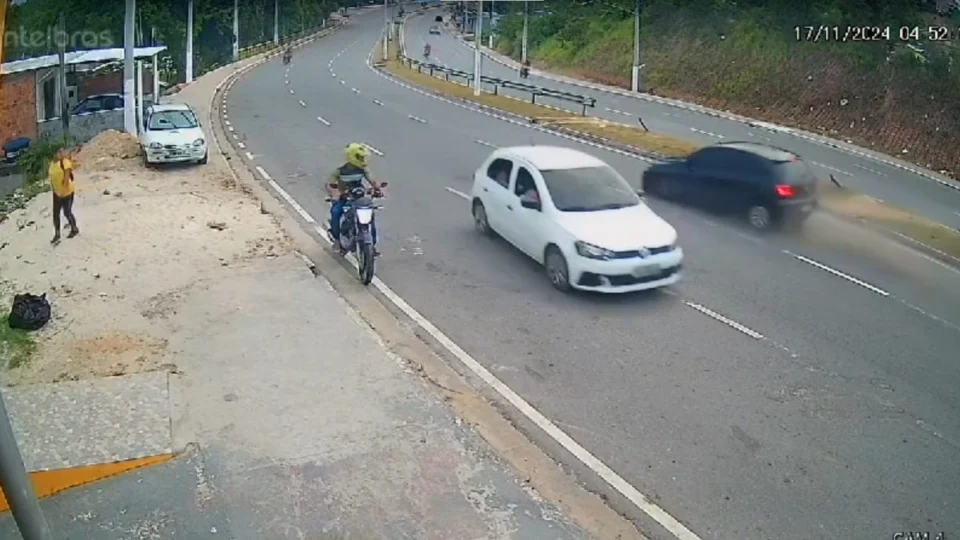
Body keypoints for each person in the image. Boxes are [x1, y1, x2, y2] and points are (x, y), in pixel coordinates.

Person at [328, 143, 383, 255]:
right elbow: (330, 183)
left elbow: (372, 181)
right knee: (335, 212)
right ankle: (337, 239)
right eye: (360, 157)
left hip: (359, 198)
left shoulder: (363, 169)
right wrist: (335, 194)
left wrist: (377, 190)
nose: (363, 159)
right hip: (345, 198)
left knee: (370, 217)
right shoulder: (340, 171)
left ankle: (372, 244)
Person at [48, 147, 79, 244]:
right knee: (55, 213)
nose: (61, 154)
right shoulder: (52, 164)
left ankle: (74, 228)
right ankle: (57, 234)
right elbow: (52, 178)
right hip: (56, 192)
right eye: (59, 152)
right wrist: (54, 190)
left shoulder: (65, 162)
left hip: (67, 192)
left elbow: (66, 178)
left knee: (67, 211)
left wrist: (62, 191)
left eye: (62, 152)